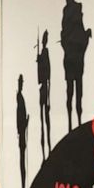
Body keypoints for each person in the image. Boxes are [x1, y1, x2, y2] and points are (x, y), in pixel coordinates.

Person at [60, 0, 92, 131]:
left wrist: (85, 34)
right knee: (74, 88)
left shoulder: (70, 11)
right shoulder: (72, 10)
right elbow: (72, 30)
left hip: (73, 54)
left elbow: (67, 32)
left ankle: (74, 122)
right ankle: (74, 122)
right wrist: (85, 34)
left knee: (73, 89)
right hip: (73, 55)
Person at [36, 29, 52, 158]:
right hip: (43, 88)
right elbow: (42, 76)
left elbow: (47, 75)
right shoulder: (43, 53)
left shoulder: (44, 53)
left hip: (45, 88)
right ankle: (44, 151)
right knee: (43, 120)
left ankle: (48, 148)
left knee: (45, 120)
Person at [16, 74, 29, 188]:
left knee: (22, 159)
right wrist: (24, 123)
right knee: (22, 159)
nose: (22, 84)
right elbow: (19, 117)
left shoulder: (20, 97)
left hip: (21, 132)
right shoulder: (19, 98)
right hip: (21, 134)